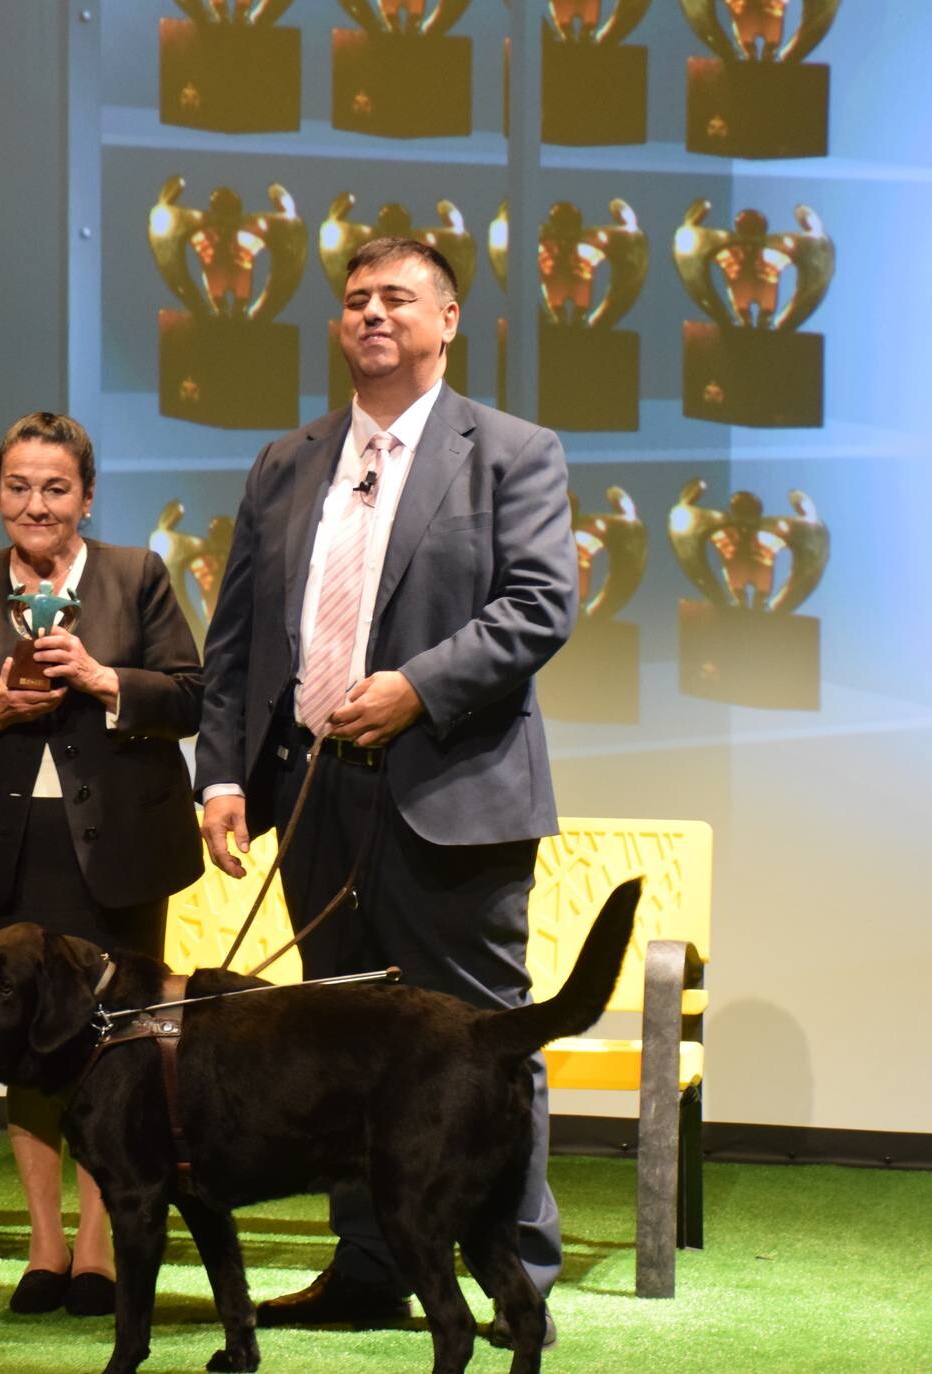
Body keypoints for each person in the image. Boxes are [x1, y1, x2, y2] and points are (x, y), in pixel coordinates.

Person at [192, 238, 579, 1333]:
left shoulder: (512, 453)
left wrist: (416, 687)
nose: (373, 313)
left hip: (452, 798)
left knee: (481, 1044)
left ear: (447, 321)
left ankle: (515, 1279)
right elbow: (237, 644)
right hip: (316, 798)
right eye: (355, 299)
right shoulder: (285, 463)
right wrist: (221, 777)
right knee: (339, 1050)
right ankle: (370, 1267)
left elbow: (541, 604)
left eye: (398, 298)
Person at [0, 411, 203, 1318]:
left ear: (87, 495)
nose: (38, 505)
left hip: (115, 851)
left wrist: (105, 679)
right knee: (20, 1047)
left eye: (57, 487)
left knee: (113, 1045)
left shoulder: (137, 575)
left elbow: (189, 697)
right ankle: (44, 1248)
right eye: (20, 487)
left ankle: (100, 1253)